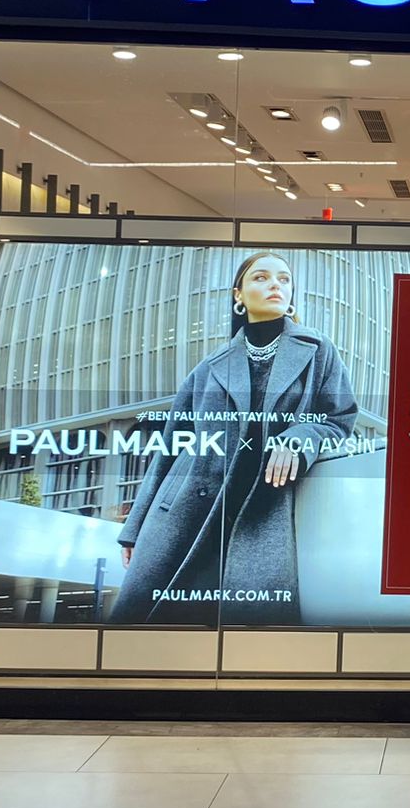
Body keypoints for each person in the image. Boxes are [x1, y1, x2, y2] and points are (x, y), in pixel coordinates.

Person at [108, 252, 359, 625]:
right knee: (153, 632)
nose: (275, 285)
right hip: (186, 515)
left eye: (284, 279)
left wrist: (299, 439)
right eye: (261, 277)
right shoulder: (208, 367)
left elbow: (339, 419)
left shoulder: (317, 350)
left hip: (263, 510)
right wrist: (134, 529)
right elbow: (168, 451)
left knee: (251, 633)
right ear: (238, 295)